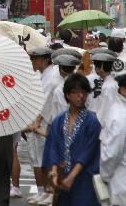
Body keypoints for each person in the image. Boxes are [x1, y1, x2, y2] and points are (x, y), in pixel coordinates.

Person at [42, 72, 100, 206]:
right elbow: (53, 147)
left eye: (84, 92)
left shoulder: (92, 122)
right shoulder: (59, 120)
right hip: (62, 176)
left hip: (84, 178)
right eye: (76, 92)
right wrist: (54, 172)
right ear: (67, 95)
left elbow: (88, 153)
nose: (81, 96)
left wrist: (72, 177)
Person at [27, 47, 62, 206]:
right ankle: (43, 191)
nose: (32, 61)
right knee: (37, 158)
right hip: (37, 120)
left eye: (35, 58)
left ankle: (49, 191)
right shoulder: (42, 75)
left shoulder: (52, 76)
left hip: (45, 122)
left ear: (45, 59)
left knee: (45, 159)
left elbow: (46, 103)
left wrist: (36, 121)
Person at [100, 71, 126, 206]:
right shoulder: (119, 114)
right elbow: (112, 151)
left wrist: (104, 174)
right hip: (119, 179)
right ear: (123, 90)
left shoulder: (118, 113)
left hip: (119, 180)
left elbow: (111, 152)